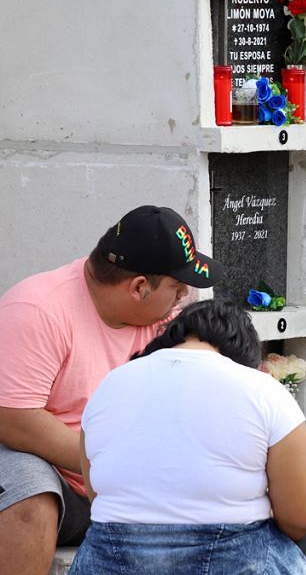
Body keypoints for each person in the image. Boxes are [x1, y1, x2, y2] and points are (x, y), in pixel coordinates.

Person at [0, 205, 221, 575]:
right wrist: (109, 464)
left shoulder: (167, 318)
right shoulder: (38, 310)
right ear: (138, 288)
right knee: (30, 497)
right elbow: (14, 418)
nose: (184, 297)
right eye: (177, 288)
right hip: (59, 475)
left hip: (128, 475)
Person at [69, 298, 306, 575]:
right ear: (245, 353)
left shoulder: (109, 385)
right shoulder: (263, 390)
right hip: (238, 559)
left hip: (108, 560)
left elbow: (98, 494)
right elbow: (300, 518)